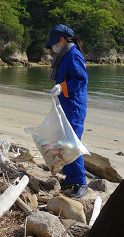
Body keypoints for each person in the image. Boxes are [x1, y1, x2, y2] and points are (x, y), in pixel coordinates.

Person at [45, 24, 89, 199]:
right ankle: (71, 177)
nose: (53, 47)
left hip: (75, 106)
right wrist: (61, 89)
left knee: (72, 143)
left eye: (55, 43)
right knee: (63, 139)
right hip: (66, 104)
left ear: (62, 39)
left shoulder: (73, 54)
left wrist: (62, 87)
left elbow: (81, 79)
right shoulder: (65, 55)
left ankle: (81, 182)